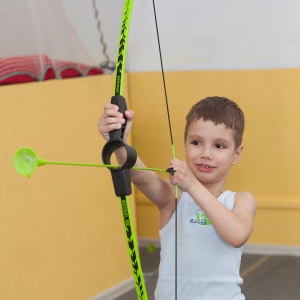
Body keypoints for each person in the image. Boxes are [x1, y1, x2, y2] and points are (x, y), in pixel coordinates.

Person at [98, 96, 256, 300]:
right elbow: (140, 176)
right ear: (184, 144)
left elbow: (236, 235)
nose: (205, 153)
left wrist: (192, 185)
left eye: (219, 146)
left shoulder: (240, 200)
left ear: (236, 154)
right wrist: (118, 142)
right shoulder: (173, 197)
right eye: (196, 142)